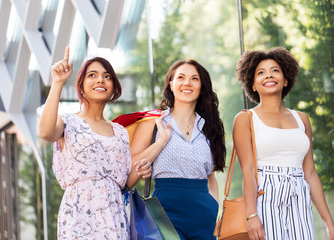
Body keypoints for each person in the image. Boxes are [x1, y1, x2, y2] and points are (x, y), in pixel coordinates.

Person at [38, 47, 151, 239]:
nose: (100, 79)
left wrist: (140, 171)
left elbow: (123, 184)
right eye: (92, 75)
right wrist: (57, 83)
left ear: (114, 87)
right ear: (81, 86)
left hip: (114, 218)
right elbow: (46, 133)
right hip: (78, 218)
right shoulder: (68, 122)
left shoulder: (120, 132)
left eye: (107, 76)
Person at [233, 47, 334, 240]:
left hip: (299, 192)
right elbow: (248, 171)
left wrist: (329, 222)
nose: (268, 75)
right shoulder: (245, 119)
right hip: (265, 194)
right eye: (261, 73)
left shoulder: (302, 119)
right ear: (252, 84)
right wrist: (252, 215)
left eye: (275, 70)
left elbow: (310, 173)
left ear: (285, 79)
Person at [130, 59, 226, 239]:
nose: (187, 83)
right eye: (180, 77)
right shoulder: (153, 122)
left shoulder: (209, 128)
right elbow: (130, 168)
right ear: (171, 85)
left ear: (201, 86)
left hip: (205, 215)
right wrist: (160, 143)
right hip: (165, 212)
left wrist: (214, 205)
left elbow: (210, 176)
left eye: (194, 78)